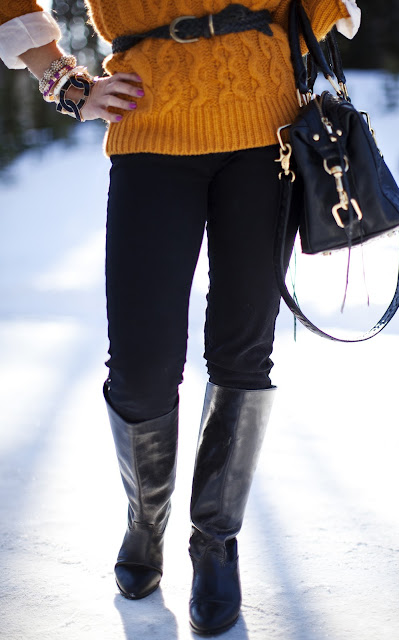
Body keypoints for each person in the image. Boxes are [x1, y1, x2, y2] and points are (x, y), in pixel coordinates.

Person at [0, 0, 360, 635]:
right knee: (140, 367)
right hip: (148, 123)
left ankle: (216, 539)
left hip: (268, 135)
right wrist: (63, 81)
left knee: (243, 352)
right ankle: (147, 518)